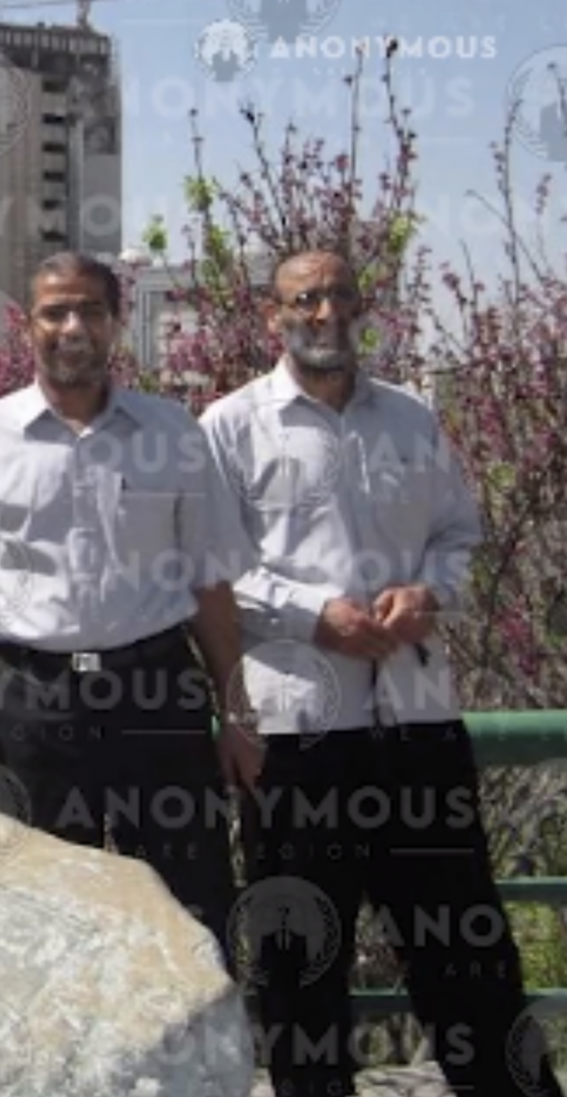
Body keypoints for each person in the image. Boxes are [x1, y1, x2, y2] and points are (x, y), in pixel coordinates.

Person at [199, 248, 565, 1097]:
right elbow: (210, 570)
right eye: (304, 299)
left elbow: (459, 537)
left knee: (467, 951)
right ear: (273, 317)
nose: (324, 313)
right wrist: (310, 614)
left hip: (416, 724)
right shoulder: (228, 427)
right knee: (301, 968)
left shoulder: (412, 418)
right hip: (296, 737)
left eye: (339, 296)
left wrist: (431, 592)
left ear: (363, 309)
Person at [0, 251, 261, 964]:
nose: (73, 327)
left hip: (158, 695)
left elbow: (209, 587)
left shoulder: (174, 435)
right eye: (55, 312)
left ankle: (194, 1073)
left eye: (91, 311)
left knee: (190, 907)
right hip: (33, 703)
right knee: (41, 907)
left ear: (116, 323)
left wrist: (239, 712)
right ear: (27, 325)